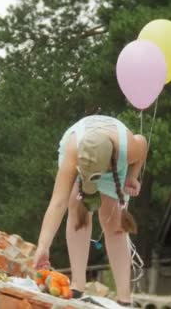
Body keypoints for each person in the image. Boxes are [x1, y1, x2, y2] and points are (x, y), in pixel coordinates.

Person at [33, 115, 148, 306]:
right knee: (77, 207)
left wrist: (132, 177)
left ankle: (124, 298)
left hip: (114, 165)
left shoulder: (128, 148)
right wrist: (43, 246)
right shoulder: (73, 152)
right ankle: (78, 284)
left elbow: (142, 143)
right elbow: (57, 203)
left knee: (114, 223)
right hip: (83, 159)